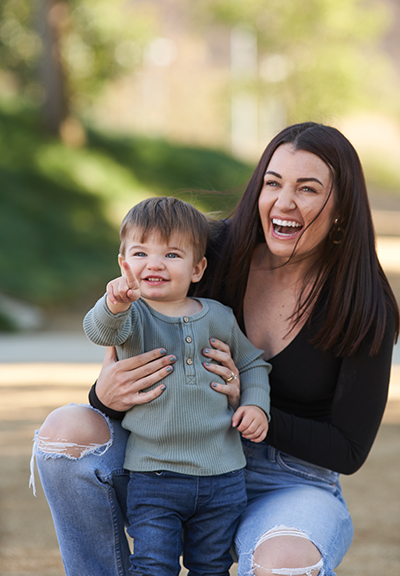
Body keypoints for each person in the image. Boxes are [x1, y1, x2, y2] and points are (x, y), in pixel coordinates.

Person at [34, 122, 399, 576]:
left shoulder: (364, 302)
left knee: (285, 564)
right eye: (272, 183)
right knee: (65, 431)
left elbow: (348, 449)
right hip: (168, 458)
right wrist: (102, 396)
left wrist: (247, 404)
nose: (284, 202)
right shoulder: (213, 252)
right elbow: (131, 321)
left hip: (286, 481)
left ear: (341, 206)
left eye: (308, 189)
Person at [82, 196, 271, 575]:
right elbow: (98, 331)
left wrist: (255, 404)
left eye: (171, 255)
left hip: (223, 476)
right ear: (123, 264)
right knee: (154, 565)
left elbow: (252, 363)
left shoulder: (219, 316)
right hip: (154, 477)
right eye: (140, 253)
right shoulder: (131, 317)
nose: (153, 264)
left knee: (212, 566)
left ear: (197, 268)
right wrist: (113, 304)